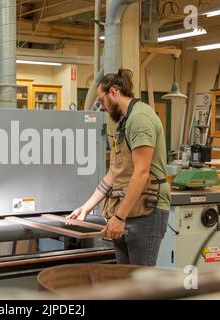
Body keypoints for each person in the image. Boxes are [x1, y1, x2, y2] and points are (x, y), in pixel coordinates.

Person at [67, 69, 170, 266]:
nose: (102, 107)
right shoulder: (124, 122)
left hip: (145, 212)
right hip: (127, 210)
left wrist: (119, 217)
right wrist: (86, 208)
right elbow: (115, 172)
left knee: (140, 285)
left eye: (102, 100)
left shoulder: (140, 120)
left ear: (113, 92)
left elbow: (141, 173)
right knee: (124, 282)